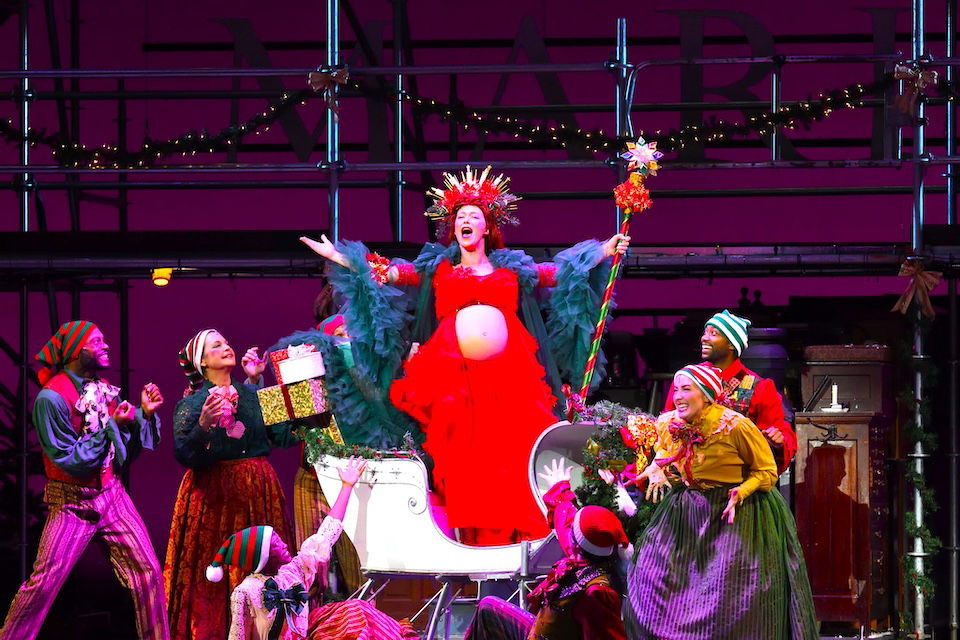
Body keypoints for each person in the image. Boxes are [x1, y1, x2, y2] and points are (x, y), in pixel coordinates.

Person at [301, 165, 629, 545]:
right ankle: (470, 538)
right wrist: (340, 257)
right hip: (453, 380)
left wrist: (604, 250)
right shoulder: (437, 268)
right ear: (453, 227)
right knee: (464, 458)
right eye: (460, 217)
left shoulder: (512, 268)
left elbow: (557, 273)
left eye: (474, 216)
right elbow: (386, 272)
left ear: (488, 227)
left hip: (510, 376)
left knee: (513, 453)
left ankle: (518, 538)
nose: (466, 221)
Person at [0, 321, 168, 640]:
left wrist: (144, 413)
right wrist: (112, 427)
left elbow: (123, 445)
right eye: (98, 341)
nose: (106, 346)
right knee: (44, 583)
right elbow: (72, 460)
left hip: (112, 495)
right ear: (79, 350)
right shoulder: (51, 399)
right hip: (72, 500)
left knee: (149, 574)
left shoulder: (98, 387)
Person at [627, 364, 817, 639]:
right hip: (688, 512)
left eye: (687, 389)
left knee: (732, 599)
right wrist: (658, 467)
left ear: (705, 394)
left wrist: (743, 490)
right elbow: (665, 452)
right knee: (654, 581)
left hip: (739, 511)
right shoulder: (670, 424)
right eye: (676, 389)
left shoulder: (734, 425)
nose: (678, 396)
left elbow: (767, 472)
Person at [164, 329, 300, 640]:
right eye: (216, 345)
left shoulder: (254, 394)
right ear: (202, 362)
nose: (226, 347)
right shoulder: (194, 404)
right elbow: (185, 455)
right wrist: (202, 427)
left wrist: (295, 394)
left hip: (257, 490)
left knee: (264, 565)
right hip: (213, 496)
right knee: (214, 567)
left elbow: (283, 437)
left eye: (226, 342)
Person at [219, 457, 416, 640]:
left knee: (356, 612)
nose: (285, 545)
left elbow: (327, 533)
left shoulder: (292, 571)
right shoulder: (245, 590)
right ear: (264, 556)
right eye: (276, 544)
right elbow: (237, 634)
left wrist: (347, 486)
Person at [464, 458, 627, 640]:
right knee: (489, 608)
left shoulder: (597, 593)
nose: (568, 532)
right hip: (539, 634)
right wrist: (560, 487)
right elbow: (564, 522)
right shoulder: (583, 558)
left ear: (577, 542)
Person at [664, 309, 797, 472]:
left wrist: (777, 442)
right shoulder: (687, 379)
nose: (704, 338)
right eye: (705, 333)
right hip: (691, 478)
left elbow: (781, 435)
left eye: (713, 333)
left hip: (737, 483)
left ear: (731, 344)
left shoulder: (759, 388)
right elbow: (667, 425)